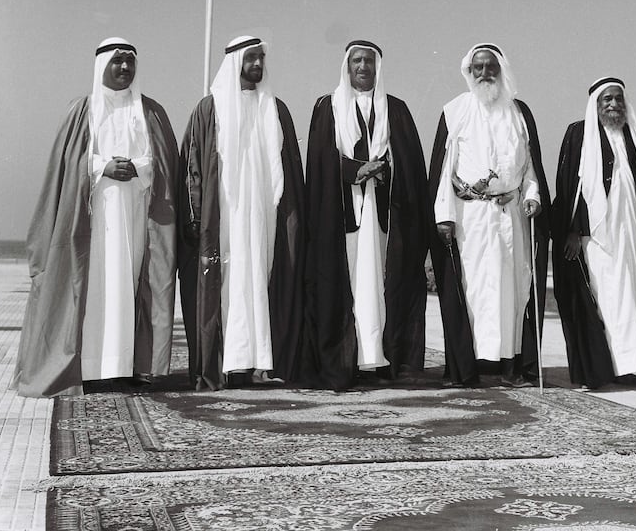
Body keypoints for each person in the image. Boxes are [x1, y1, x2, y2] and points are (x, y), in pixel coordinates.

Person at [13, 38, 178, 398]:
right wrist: (104, 166)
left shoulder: (150, 112)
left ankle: (124, 369)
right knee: (95, 290)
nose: (124, 68)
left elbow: (165, 163)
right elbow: (67, 166)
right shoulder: (82, 111)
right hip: (93, 222)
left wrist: (137, 167)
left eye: (129, 62)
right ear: (101, 65)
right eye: (117, 62)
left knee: (130, 288)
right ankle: (90, 370)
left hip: (136, 218)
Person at [178, 36, 306, 390]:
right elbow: (193, 168)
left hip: (265, 216)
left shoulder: (275, 108)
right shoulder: (210, 108)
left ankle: (262, 361)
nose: (258, 63)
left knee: (261, 281)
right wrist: (197, 215)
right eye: (251, 57)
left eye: (261, 57)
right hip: (224, 219)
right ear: (236, 62)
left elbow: (290, 170)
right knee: (230, 285)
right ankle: (229, 363)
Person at [304, 40, 429, 391]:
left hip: (385, 216)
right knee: (348, 285)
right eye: (357, 60)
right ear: (347, 66)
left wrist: (386, 170)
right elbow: (319, 161)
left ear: (378, 68)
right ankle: (346, 360)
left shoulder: (397, 110)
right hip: (342, 216)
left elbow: (411, 165)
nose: (363, 67)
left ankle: (380, 359)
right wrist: (354, 171)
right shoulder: (327, 107)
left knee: (382, 285)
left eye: (369, 61)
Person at [428, 44, 551, 387]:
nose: (484, 74)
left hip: (509, 215)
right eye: (478, 68)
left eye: (490, 67)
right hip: (471, 219)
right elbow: (443, 170)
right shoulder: (455, 111)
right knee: (473, 291)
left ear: (502, 70)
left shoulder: (519, 113)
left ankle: (510, 367)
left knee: (512, 290)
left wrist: (533, 196)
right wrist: (444, 216)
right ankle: (468, 368)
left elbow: (529, 167)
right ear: (469, 72)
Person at [552, 77, 636, 390]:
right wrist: (572, 230)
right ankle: (600, 370)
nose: (613, 105)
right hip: (594, 236)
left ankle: (632, 369)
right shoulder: (579, 134)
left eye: (618, 99)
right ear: (595, 103)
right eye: (607, 99)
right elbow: (569, 188)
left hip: (633, 233)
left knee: (633, 299)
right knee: (601, 297)